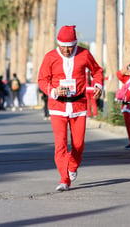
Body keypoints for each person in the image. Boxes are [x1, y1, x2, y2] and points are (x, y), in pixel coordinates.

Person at [38, 25, 103, 192]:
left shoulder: (84, 54)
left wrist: (98, 86)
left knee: (78, 144)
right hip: (57, 106)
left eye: (69, 46)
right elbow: (42, 80)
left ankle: (72, 166)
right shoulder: (50, 57)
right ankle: (64, 179)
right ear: (58, 44)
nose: (66, 50)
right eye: (63, 46)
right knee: (60, 145)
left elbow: (97, 71)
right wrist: (53, 91)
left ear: (75, 44)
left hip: (78, 105)